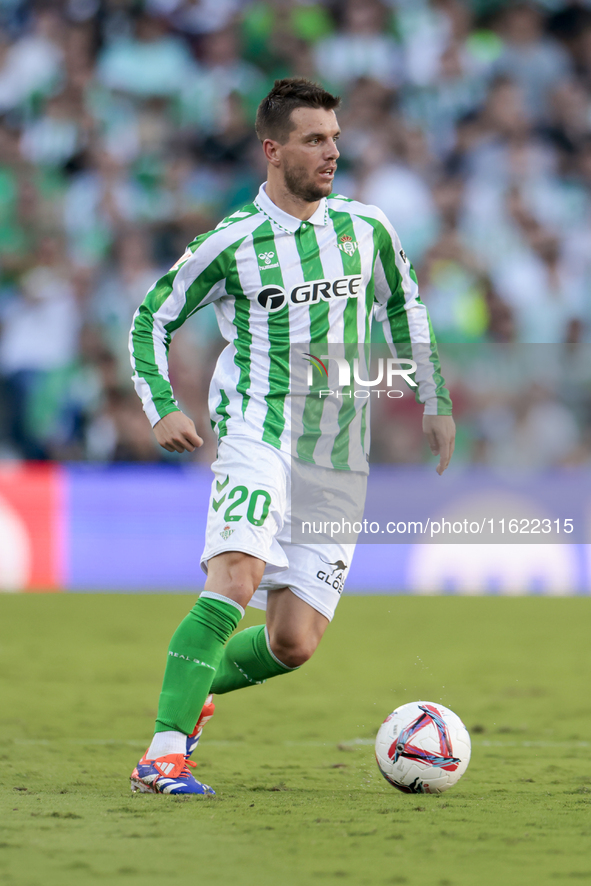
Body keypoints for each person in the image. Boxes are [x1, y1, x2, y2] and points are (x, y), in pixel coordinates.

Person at [128, 77, 455, 795]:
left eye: (335, 138)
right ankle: (162, 756)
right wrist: (162, 406)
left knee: (292, 643)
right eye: (314, 139)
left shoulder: (365, 227)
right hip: (259, 431)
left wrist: (434, 398)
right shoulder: (231, 243)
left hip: (337, 457)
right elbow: (149, 318)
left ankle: (188, 693)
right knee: (235, 576)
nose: (331, 152)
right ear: (273, 151)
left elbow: (405, 308)